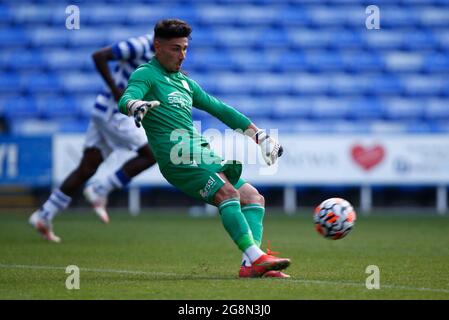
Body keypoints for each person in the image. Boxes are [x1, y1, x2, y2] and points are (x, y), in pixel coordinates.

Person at [118, 19, 291, 278]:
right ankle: (256, 258)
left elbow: (219, 108)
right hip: (177, 156)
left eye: (185, 48)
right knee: (228, 194)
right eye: (176, 49)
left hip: (200, 152)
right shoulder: (146, 74)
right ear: (158, 46)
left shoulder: (185, 83)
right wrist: (134, 105)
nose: (182, 55)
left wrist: (260, 136)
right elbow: (126, 97)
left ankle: (250, 266)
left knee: (254, 198)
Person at [29, 34, 157, 243]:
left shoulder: (164, 56)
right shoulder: (141, 45)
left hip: (106, 112)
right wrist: (116, 91)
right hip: (114, 112)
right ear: (162, 41)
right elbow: (99, 56)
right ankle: (100, 189)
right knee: (152, 154)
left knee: (87, 168)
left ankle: (44, 215)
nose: (181, 51)